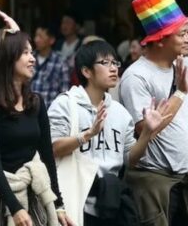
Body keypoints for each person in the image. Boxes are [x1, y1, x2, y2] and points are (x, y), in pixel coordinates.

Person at [120, 0, 188, 226]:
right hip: (155, 179)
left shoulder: (181, 66)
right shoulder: (136, 76)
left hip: (187, 178)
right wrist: (180, 92)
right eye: (182, 34)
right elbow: (145, 129)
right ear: (160, 40)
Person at [0, 14, 73, 226]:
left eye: (31, 52)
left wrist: (58, 203)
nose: (32, 59)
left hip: (33, 196)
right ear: (7, 59)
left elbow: (47, 156)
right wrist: (15, 208)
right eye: (25, 53)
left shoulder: (36, 103)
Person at [48, 40, 170, 226]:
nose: (113, 68)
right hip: (75, 200)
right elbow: (52, 149)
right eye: (105, 63)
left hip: (111, 201)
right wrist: (88, 134)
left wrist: (146, 133)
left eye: (115, 62)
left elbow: (130, 159)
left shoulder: (120, 112)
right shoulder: (65, 104)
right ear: (86, 71)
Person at [30, 26, 71, 106]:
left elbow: (64, 92)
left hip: (50, 110)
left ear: (51, 40)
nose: (36, 40)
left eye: (40, 37)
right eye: (36, 36)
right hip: (29, 109)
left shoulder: (60, 62)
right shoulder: (30, 58)